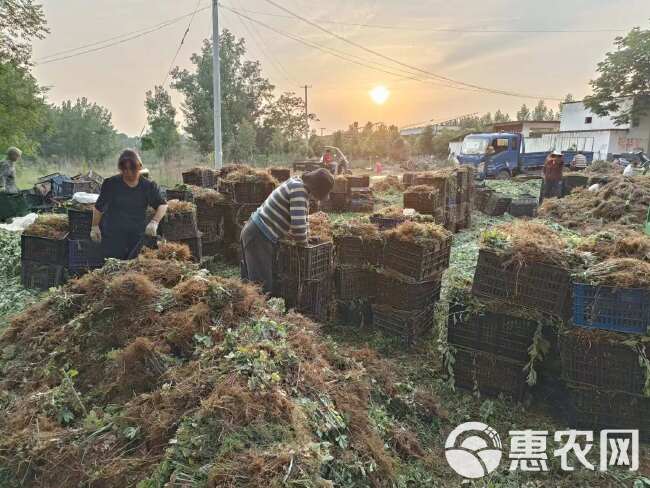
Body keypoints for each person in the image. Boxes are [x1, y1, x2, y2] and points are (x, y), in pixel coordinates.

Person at [241, 168, 334, 293]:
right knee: (261, 286)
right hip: (258, 235)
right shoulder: (299, 191)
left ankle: (250, 309)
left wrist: (307, 237)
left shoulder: (299, 185)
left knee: (253, 284)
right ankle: (257, 310)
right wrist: (304, 245)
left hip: (257, 233)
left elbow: (303, 219)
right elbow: (298, 227)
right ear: (317, 188)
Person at [91, 149, 168, 259]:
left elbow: (162, 205)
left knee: (135, 267)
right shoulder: (111, 184)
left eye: (132, 169)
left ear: (140, 167)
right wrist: (94, 226)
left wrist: (154, 222)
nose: (129, 173)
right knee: (114, 268)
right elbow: (99, 207)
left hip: (137, 235)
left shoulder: (148, 186)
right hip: (113, 235)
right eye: (125, 169)